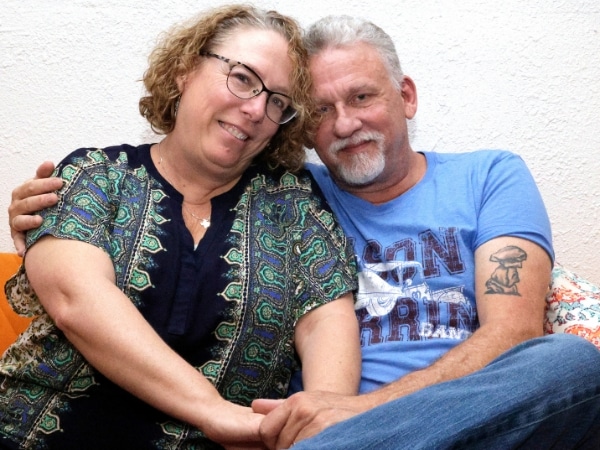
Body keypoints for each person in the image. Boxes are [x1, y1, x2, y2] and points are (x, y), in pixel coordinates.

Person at [9, 13, 600, 450]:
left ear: (406, 96)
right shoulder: (110, 175)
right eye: (316, 110)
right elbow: (76, 295)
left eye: (363, 96)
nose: (345, 124)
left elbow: (511, 334)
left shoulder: (475, 177)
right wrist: (38, 232)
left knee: (571, 364)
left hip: (426, 425)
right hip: (63, 433)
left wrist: (350, 417)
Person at [0, 5, 361, 449]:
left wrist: (317, 427)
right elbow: (77, 302)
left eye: (277, 102)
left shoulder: (294, 207)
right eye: (244, 78)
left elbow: (327, 325)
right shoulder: (97, 176)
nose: (255, 109)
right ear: (184, 72)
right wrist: (215, 412)